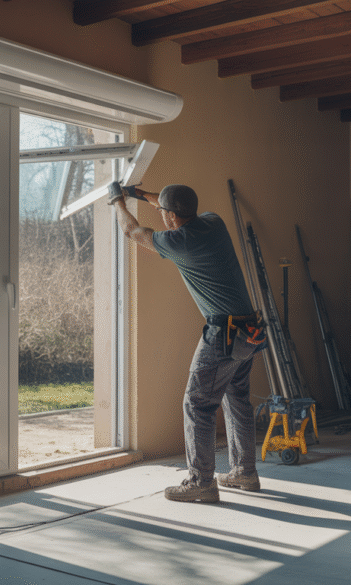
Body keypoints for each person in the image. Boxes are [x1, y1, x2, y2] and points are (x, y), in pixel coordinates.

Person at [108, 182, 266, 503]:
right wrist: (140, 194)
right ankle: (244, 471)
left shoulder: (177, 241)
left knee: (197, 404)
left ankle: (201, 482)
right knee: (236, 401)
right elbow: (166, 205)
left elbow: (133, 232)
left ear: (170, 217)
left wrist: (117, 203)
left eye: (163, 212)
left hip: (223, 334)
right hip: (249, 330)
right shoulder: (213, 221)